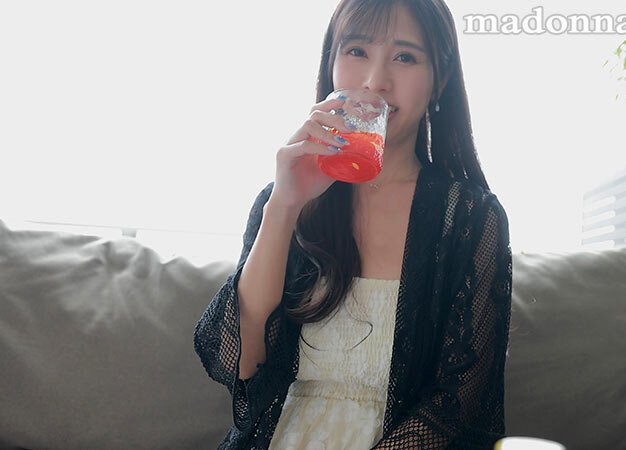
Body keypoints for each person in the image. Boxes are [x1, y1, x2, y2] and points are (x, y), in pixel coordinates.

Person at [193, 0, 513, 448]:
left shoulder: (470, 217)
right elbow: (239, 364)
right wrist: (283, 207)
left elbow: (457, 404)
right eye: (357, 51)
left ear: (438, 80)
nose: (375, 81)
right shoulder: (283, 198)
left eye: (405, 57)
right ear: (331, 64)